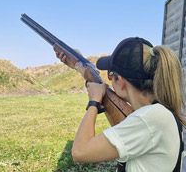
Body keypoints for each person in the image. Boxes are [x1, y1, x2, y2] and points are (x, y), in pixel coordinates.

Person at [56, 37, 185, 172]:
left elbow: (80, 151)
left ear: (121, 81)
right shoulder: (158, 113)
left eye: (110, 75)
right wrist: (79, 65)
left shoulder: (149, 119)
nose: (109, 80)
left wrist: (94, 101)